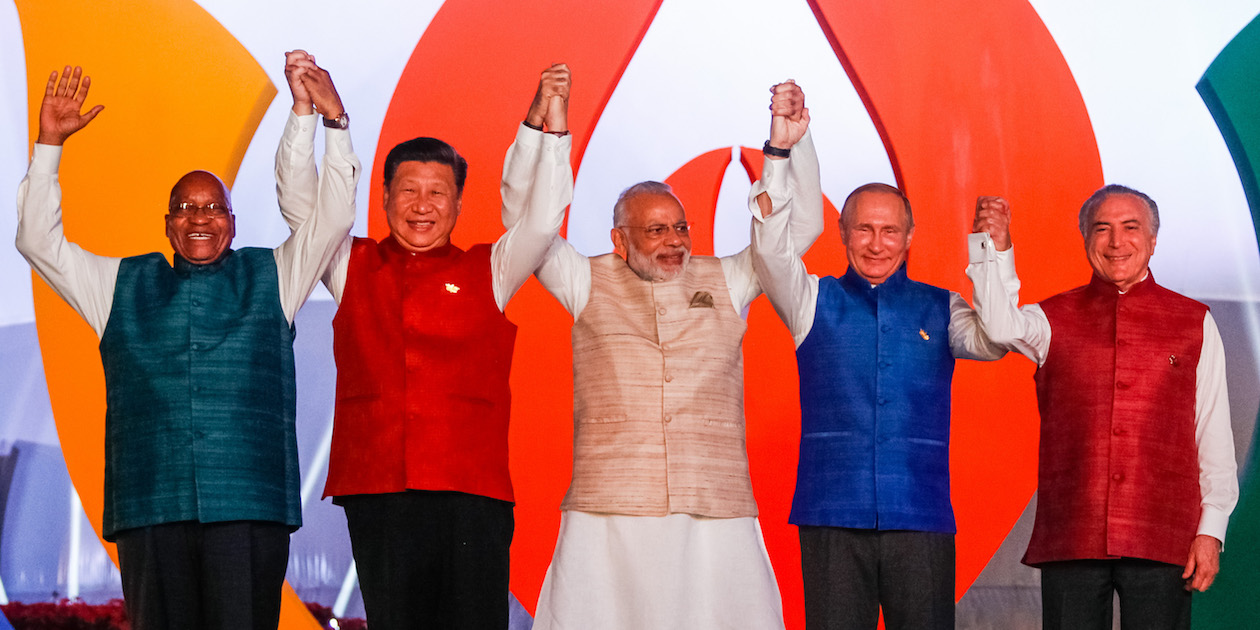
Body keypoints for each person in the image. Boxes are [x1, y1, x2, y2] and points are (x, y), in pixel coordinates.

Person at [15, 59, 358, 629]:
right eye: (185, 208)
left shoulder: (277, 275)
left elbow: (334, 215)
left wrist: (327, 120)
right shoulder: (117, 285)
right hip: (152, 508)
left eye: (213, 207)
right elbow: (37, 240)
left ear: (232, 220)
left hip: (248, 509)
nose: (199, 217)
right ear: (168, 223)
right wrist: (49, 144)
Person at [275, 60, 573, 629]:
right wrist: (312, 116)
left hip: (472, 491)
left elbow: (541, 219)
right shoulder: (350, 262)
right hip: (379, 486)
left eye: (439, 192)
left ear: (459, 203)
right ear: (384, 196)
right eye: (408, 190)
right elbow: (300, 206)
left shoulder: (492, 267)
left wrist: (550, 131)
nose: (422, 205)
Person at [525, 81, 821, 630]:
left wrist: (783, 151)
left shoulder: (729, 277)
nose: (675, 241)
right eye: (656, 230)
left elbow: (796, 232)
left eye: (680, 227)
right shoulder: (583, 278)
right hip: (610, 506)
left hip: (714, 504)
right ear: (619, 240)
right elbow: (534, 229)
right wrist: (551, 137)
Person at [750, 126, 1007, 629]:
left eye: (890, 231)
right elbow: (770, 252)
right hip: (830, 516)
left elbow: (995, 340)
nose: (876, 244)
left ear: (909, 238)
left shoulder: (944, 307)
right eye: (863, 229)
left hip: (922, 517)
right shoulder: (810, 299)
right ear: (843, 232)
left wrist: (990, 253)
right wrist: (779, 152)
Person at [967, 188, 1238, 629]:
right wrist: (991, 251)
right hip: (1073, 533)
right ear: (1084, 238)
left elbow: (1212, 432)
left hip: (1163, 533)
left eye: (1131, 228)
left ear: (1152, 240)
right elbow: (998, 327)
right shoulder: (1052, 317)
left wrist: (1211, 530)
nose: (1116, 242)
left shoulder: (1194, 321)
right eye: (1102, 229)